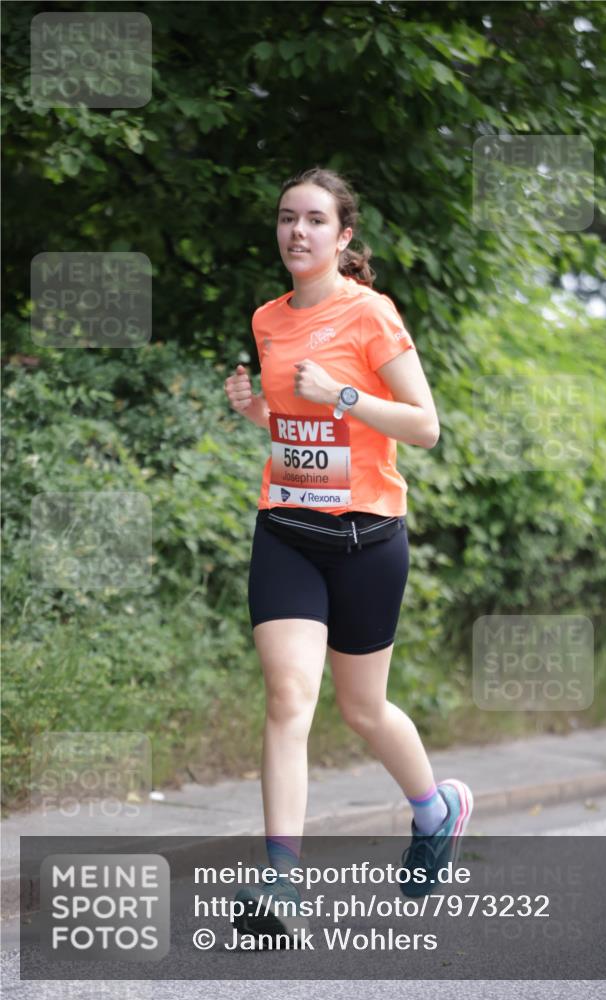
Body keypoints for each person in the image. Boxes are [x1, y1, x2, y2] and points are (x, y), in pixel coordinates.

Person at [224, 166, 473, 942]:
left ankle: (436, 810)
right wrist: (259, 411)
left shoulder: (371, 316)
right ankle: (281, 884)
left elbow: (423, 426)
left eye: (314, 221)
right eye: (286, 218)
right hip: (289, 530)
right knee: (288, 696)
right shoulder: (268, 319)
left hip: (367, 538)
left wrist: (342, 392)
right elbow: (296, 434)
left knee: (362, 709)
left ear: (343, 236)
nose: (296, 232)